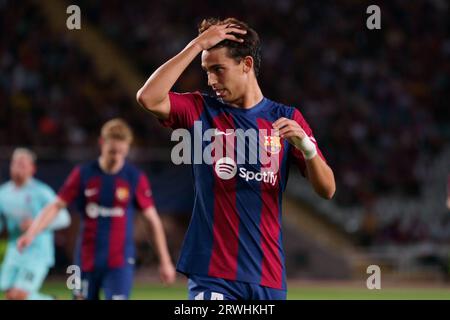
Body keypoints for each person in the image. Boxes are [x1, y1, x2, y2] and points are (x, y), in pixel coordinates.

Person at [136, 17, 336, 300]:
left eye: (218, 69)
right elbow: (149, 98)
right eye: (206, 71)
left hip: (268, 277)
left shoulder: (287, 118)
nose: (211, 80)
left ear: (247, 65)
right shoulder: (200, 110)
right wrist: (197, 45)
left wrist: (307, 148)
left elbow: (327, 189)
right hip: (213, 275)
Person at [17, 119, 176, 299]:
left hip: (120, 263)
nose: (116, 157)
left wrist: (165, 261)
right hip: (82, 261)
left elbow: (152, 220)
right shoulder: (83, 174)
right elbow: (55, 206)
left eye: (121, 152)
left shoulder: (134, 178)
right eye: (112, 151)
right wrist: (31, 233)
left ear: (128, 148)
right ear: (102, 143)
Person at [0, 148, 71, 300]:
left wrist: (37, 224)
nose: (18, 168)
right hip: (14, 250)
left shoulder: (41, 191)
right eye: (15, 163)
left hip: (38, 251)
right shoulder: (3, 193)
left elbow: (64, 218)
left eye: (23, 165)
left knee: (19, 294)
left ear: (32, 169)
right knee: (10, 295)